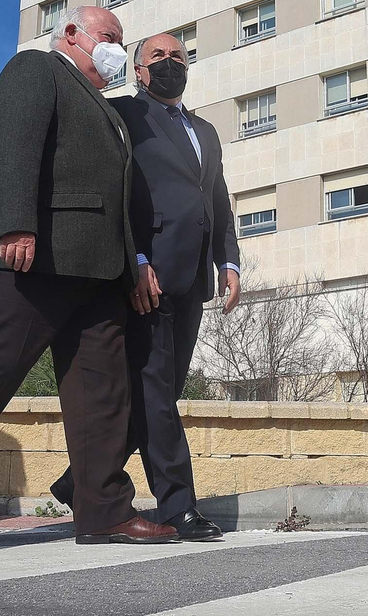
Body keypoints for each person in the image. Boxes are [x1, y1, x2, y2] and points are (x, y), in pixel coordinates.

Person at [0, 7, 176, 546]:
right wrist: (16, 223)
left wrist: (132, 261)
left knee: (102, 393)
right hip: (33, 260)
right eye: (110, 37)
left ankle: (105, 512)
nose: (118, 47)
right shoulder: (35, 69)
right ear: (72, 34)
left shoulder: (108, 110)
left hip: (98, 272)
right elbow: (12, 146)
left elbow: (117, 199)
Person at [47, 33, 241, 541]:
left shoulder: (206, 131)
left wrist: (229, 261)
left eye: (178, 56)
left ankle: (80, 482)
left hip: (193, 276)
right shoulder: (123, 116)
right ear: (138, 69)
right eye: (158, 56)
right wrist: (135, 260)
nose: (169, 62)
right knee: (156, 393)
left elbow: (216, 198)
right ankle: (179, 507)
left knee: (163, 392)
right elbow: (116, 188)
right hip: (146, 274)